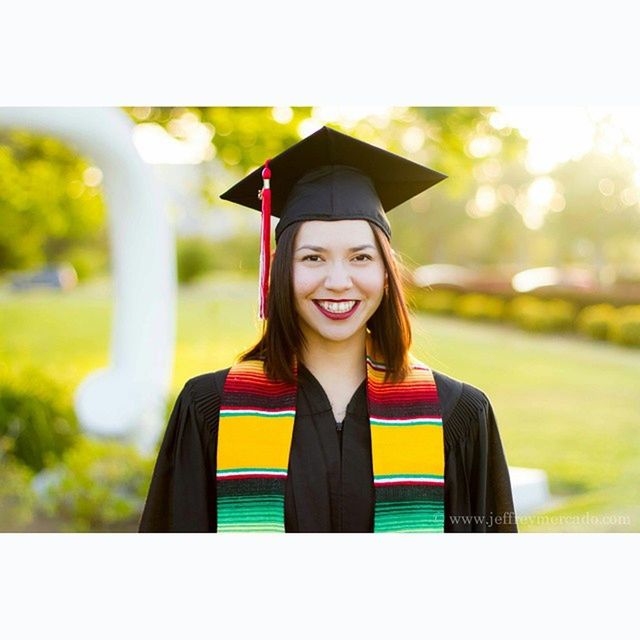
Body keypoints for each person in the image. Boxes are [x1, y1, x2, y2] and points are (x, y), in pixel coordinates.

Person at [139, 125, 517, 533]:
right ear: (281, 274)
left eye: (360, 258)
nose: (338, 280)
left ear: (387, 276)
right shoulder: (212, 411)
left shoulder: (457, 415)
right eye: (313, 258)